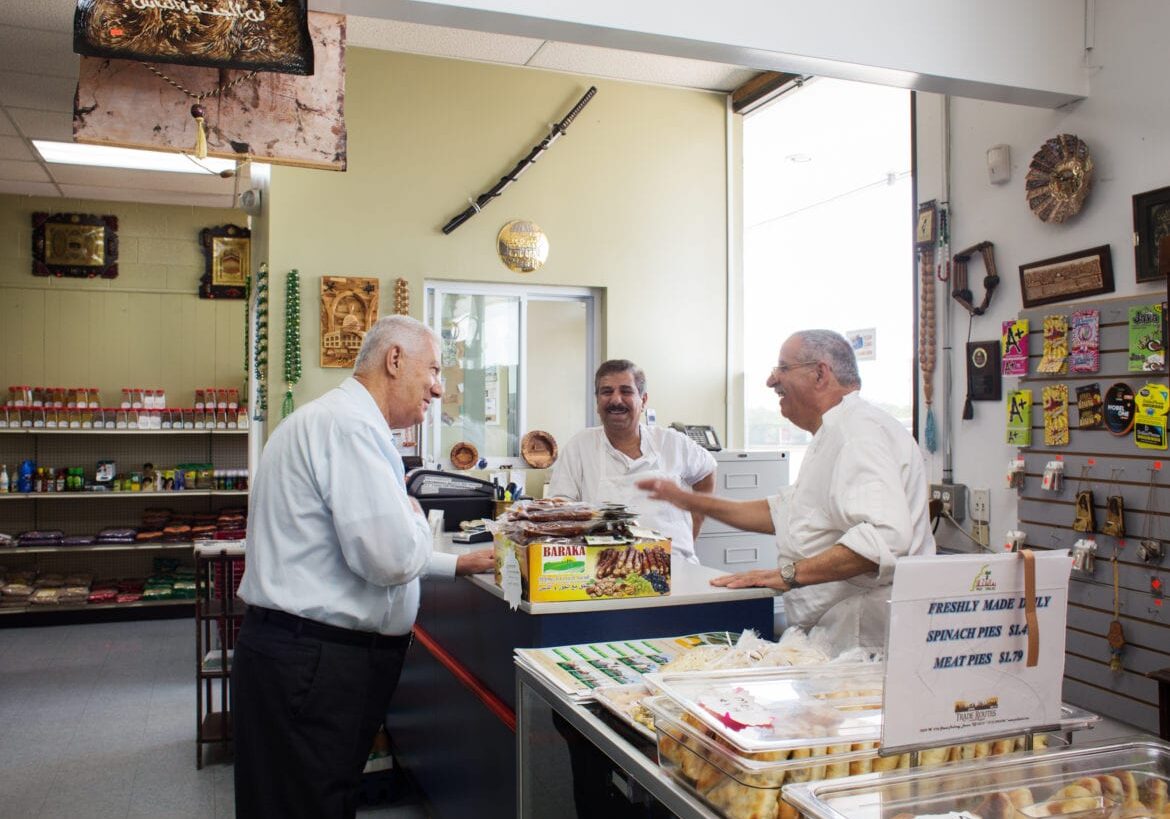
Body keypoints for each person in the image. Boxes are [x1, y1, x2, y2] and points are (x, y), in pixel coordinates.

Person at [233, 315, 494, 819]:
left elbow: (355, 545)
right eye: (434, 370)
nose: (439, 388)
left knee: (303, 798)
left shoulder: (338, 421)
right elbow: (390, 557)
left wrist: (440, 553)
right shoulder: (350, 427)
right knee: (306, 803)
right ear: (394, 360)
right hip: (314, 662)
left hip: (305, 657)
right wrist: (416, 518)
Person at [638, 330, 935, 652]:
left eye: (782, 368)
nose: (770, 380)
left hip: (863, 633)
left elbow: (886, 537)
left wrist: (786, 575)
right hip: (837, 630)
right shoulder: (833, 432)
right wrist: (689, 500)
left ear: (820, 373)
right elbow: (783, 513)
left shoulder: (858, 433)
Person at [547, 359, 717, 562]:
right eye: (607, 392)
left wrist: (692, 528)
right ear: (597, 401)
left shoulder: (672, 442)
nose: (616, 400)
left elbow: (707, 470)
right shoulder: (580, 446)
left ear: (643, 400)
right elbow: (560, 509)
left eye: (626, 391)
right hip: (604, 572)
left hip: (675, 566)